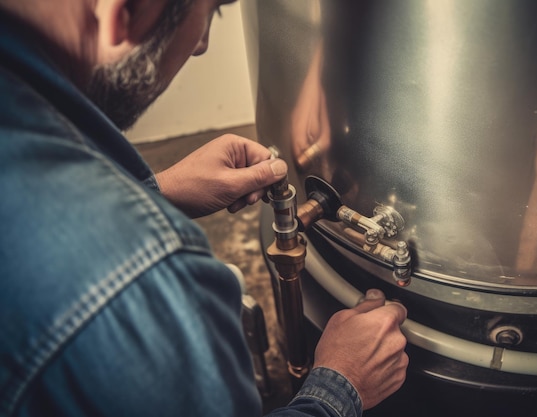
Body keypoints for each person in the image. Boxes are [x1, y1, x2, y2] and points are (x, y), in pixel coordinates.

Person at [0, 1, 409, 416]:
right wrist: (339, 387)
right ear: (118, 13)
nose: (201, 45)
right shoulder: (144, 295)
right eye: (212, 11)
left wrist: (158, 191)